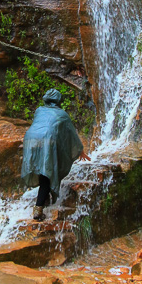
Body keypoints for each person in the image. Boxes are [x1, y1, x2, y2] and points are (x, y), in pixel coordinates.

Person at [21, 88, 90, 221]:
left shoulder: (39, 110)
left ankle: (45, 198)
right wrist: (80, 150)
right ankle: (38, 208)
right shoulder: (62, 114)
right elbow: (70, 134)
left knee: (43, 169)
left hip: (31, 139)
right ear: (58, 100)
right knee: (48, 171)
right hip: (47, 139)